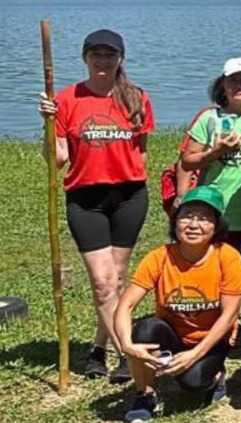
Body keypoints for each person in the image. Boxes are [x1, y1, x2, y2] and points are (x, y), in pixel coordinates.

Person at [37, 28, 154, 383]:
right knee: (103, 284)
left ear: (121, 59)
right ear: (85, 57)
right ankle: (128, 353)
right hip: (86, 199)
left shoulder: (136, 98)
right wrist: (47, 123)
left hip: (129, 196)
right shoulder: (67, 99)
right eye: (96, 54)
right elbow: (56, 159)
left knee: (117, 279)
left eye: (110, 55)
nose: (103, 61)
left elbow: (141, 150)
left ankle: (98, 348)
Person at [114, 186, 241, 422]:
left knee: (193, 384)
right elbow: (125, 306)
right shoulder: (159, 257)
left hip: (212, 338)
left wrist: (195, 353)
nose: (193, 224)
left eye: (204, 218)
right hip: (173, 334)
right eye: (187, 216)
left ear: (216, 226)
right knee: (144, 329)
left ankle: (215, 375)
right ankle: (145, 394)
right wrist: (126, 345)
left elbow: (229, 315)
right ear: (175, 222)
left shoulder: (227, 257)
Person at [179, 57, 241, 280]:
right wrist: (214, 153)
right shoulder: (209, 118)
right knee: (221, 280)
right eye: (233, 80)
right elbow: (187, 162)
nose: (240, 85)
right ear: (223, 85)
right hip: (218, 215)